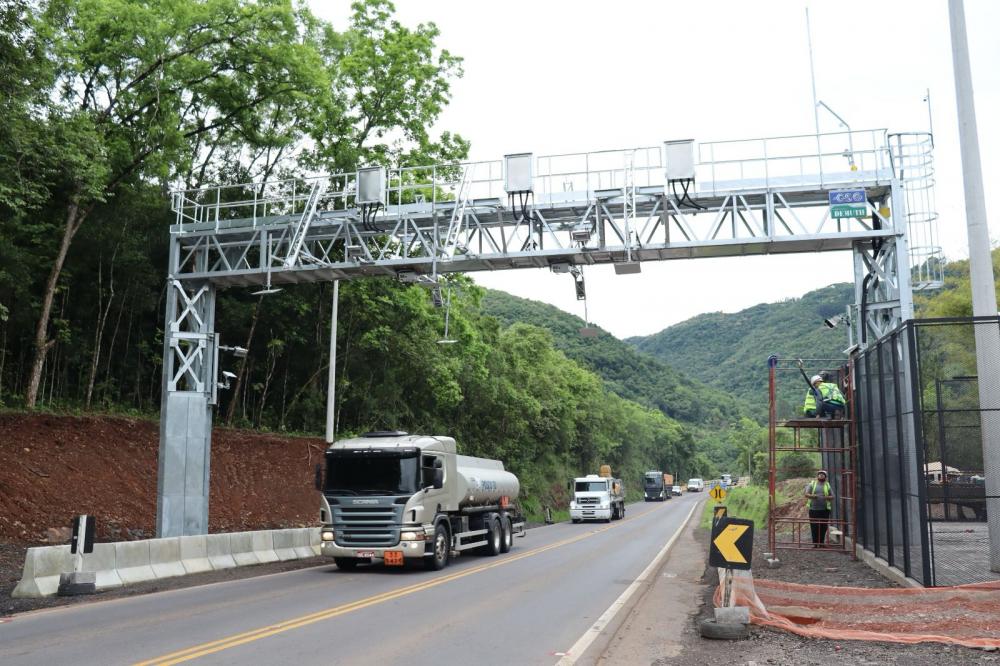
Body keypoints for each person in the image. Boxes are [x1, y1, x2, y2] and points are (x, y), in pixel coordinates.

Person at [805, 470, 833, 547]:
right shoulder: (812, 484)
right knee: (814, 526)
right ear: (817, 476)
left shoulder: (827, 485)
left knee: (823, 527)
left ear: (825, 477)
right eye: (819, 475)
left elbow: (832, 496)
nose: (821, 476)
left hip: (825, 510)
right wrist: (813, 496)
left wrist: (827, 497)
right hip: (813, 510)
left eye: (823, 475)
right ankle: (815, 543)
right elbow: (806, 494)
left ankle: (821, 543)